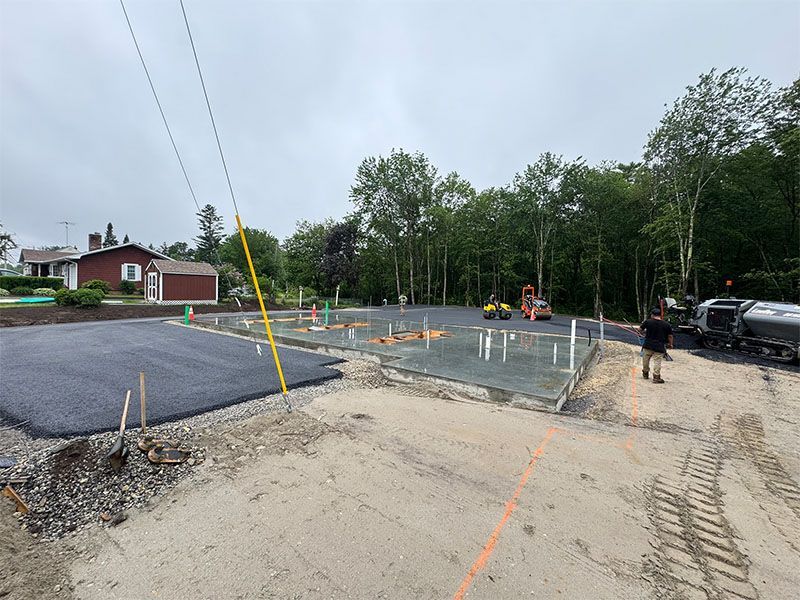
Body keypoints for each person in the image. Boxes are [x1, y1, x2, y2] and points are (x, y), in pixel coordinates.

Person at [639, 307, 674, 384]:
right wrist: (670, 344)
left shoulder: (647, 322)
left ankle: (645, 373)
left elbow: (640, 329)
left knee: (645, 359)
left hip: (648, 344)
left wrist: (643, 334)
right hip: (659, 346)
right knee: (657, 361)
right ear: (660, 315)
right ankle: (656, 377)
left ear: (652, 315)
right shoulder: (666, 324)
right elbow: (670, 336)